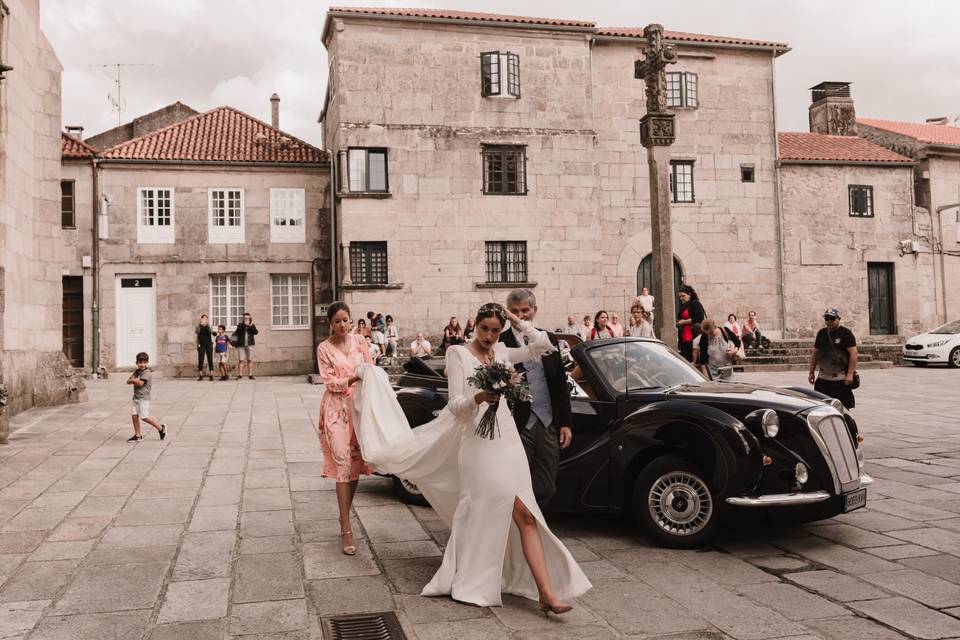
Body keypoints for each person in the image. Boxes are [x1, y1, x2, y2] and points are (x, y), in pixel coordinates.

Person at [352, 303, 591, 611]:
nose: (490, 336)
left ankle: (546, 593)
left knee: (527, 514)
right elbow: (455, 405)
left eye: (495, 329)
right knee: (486, 513)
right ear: (474, 326)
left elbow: (543, 346)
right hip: (477, 445)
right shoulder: (458, 354)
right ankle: (477, 576)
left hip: (507, 441)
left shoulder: (504, 351)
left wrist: (516, 319)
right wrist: (480, 397)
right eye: (484, 329)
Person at [500, 289, 573, 508]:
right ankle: (524, 528)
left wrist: (566, 423)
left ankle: (528, 518)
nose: (520, 316)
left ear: (534, 310)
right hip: (518, 425)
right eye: (514, 311)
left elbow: (560, 382)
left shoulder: (548, 338)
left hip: (548, 422)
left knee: (547, 485)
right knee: (517, 481)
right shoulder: (501, 342)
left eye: (525, 310)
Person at [316, 302, 375, 555]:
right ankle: (347, 529)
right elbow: (330, 381)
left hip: (359, 407)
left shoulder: (360, 342)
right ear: (330, 323)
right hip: (336, 410)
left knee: (354, 465)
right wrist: (353, 377)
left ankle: (343, 515)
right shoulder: (324, 348)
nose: (342, 325)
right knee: (342, 463)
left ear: (351, 320)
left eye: (345, 320)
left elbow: (371, 370)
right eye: (337, 321)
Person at [808, 308, 858, 409]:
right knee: (821, 407)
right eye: (827, 318)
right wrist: (811, 372)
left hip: (840, 378)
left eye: (832, 318)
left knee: (842, 408)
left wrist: (849, 374)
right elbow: (815, 353)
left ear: (838, 319)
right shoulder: (821, 333)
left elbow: (853, 353)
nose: (829, 321)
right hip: (823, 378)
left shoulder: (846, 333)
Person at [126, 352, 166, 442]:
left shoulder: (147, 373)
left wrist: (134, 380)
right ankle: (138, 435)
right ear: (136, 363)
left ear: (147, 363)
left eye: (144, 362)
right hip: (135, 398)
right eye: (140, 362)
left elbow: (140, 383)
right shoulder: (137, 371)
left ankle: (160, 428)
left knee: (144, 417)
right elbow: (128, 381)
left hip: (143, 398)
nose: (142, 364)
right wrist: (134, 380)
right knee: (134, 416)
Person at [676, 285, 706, 363]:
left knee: (693, 360)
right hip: (685, 337)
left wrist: (684, 322)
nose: (681, 298)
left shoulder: (695, 303)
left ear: (689, 294)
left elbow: (699, 318)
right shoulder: (684, 305)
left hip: (692, 337)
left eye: (683, 296)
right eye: (680, 296)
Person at [234, 313, 258, 380]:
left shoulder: (252, 325)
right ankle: (240, 374)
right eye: (245, 318)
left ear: (250, 318)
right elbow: (238, 332)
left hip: (249, 344)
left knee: (249, 360)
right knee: (241, 360)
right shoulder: (240, 325)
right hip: (241, 345)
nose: (246, 319)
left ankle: (250, 374)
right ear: (243, 318)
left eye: (248, 318)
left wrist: (250, 326)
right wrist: (244, 325)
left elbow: (256, 332)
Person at [195, 314, 214, 381]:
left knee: (210, 358)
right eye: (203, 318)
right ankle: (200, 375)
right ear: (201, 319)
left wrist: (207, 325)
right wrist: (200, 325)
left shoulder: (209, 326)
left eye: (206, 318)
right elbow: (197, 332)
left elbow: (212, 333)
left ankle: (211, 375)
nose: (205, 319)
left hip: (208, 344)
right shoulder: (198, 326)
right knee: (201, 359)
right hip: (201, 344)